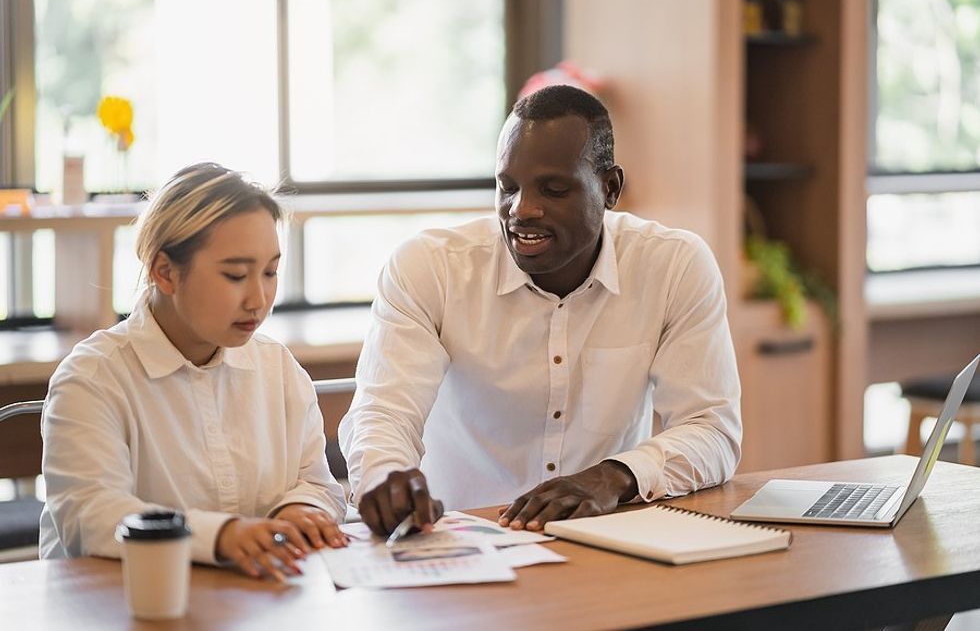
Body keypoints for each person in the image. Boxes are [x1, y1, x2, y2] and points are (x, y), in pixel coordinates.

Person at [340, 85, 742, 536]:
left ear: (610, 188)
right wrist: (385, 475)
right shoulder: (431, 267)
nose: (522, 210)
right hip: (457, 541)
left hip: (603, 540)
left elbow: (711, 430)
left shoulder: (673, 265)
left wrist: (612, 476)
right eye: (507, 187)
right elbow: (383, 411)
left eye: (553, 189)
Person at [39, 163, 348, 581]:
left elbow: (317, 483)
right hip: (120, 604)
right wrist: (221, 536)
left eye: (270, 272)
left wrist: (301, 510)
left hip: (253, 601)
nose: (258, 298)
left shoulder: (277, 368)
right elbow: (91, 516)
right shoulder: (94, 379)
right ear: (165, 272)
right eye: (235, 275)